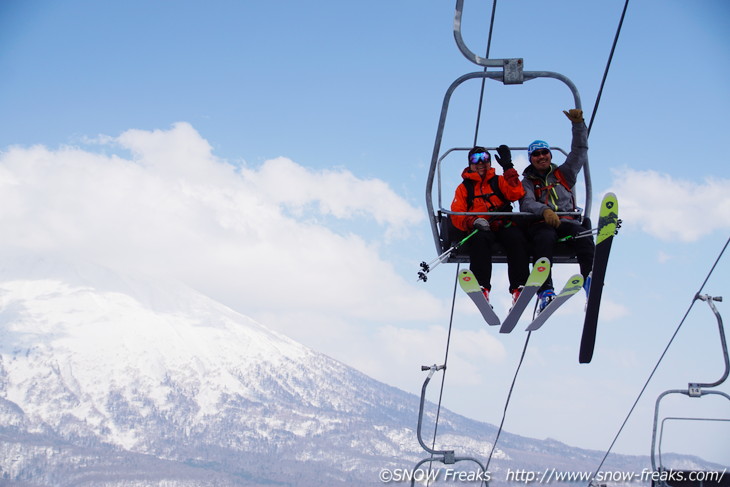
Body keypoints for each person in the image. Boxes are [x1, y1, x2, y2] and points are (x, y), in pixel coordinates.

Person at [519, 108, 595, 312]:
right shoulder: (527, 182)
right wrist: (544, 211)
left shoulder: (564, 174)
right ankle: (545, 290)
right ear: (531, 158)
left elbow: (580, 150)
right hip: (543, 224)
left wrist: (578, 124)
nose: (541, 157)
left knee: (583, 235)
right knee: (543, 240)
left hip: (567, 221)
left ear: (550, 155)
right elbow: (526, 203)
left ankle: (590, 279)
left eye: (544, 152)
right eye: (536, 154)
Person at [451, 145, 530, 306]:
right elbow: (457, 213)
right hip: (482, 227)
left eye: (485, 158)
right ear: (470, 163)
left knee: (516, 238)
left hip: (502, 223)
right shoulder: (464, 188)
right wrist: (472, 222)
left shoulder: (499, 180)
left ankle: (519, 287)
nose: (480, 163)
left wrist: (508, 167)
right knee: (480, 240)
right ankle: (482, 287)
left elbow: (516, 193)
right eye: (475, 159)